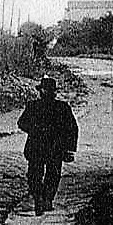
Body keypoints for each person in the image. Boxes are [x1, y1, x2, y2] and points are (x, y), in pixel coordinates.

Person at [17, 76, 78, 215]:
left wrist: (34, 130)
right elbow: (73, 128)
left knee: (35, 174)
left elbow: (22, 123)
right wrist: (69, 148)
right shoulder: (62, 107)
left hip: (37, 146)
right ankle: (46, 199)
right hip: (55, 148)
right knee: (52, 174)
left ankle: (39, 197)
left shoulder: (33, 106)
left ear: (41, 92)